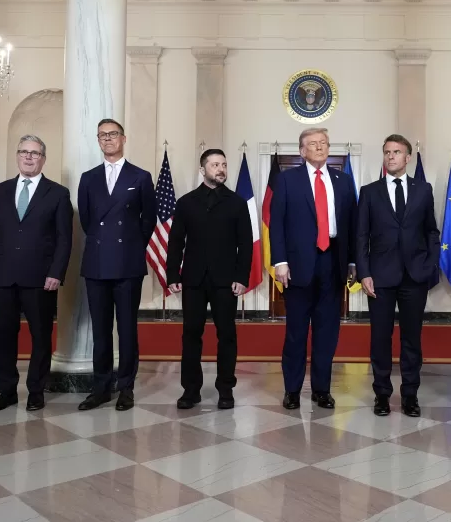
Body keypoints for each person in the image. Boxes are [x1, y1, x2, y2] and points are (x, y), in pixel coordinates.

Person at [0, 135, 73, 413]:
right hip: (3, 276)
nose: (29, 157)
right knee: (3, 336)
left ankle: (36, 391)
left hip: (41, 278)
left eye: (35, 153)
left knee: (41, 336)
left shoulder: (58, 193)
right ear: (17, 156)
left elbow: (64, 239)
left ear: (43, 159)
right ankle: (6, 392)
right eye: (24, 152)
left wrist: (56, 272)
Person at [270, 127, 357, 410]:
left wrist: (352, 260)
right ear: (302, 151)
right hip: (297, 266)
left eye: (324, 143)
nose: (319, 147)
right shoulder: (286, 180)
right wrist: (280, 261)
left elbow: (351, 225)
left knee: (327, 332)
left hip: (333, 263)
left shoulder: (344, 181)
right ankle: (292, 390)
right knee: (296, 332)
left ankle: (322, 389)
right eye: (313, 144)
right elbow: (277, 223)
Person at [356, 134, 439, 417]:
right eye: (387, 152)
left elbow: (431, 231)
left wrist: (429, 265)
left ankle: (410, 396)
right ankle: (381, 394)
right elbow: (361, 236)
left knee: (411, 339)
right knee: (380, 338)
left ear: (408, 157)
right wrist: (364, 273)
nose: (391, 156)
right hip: (379, 277)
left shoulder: (423, 189)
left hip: (415, 276)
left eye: (397, 152)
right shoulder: (369, 191)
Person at [76, 118, 156, 412]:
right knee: (100, 331)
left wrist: (130, 246)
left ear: (123, 138)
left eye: (112, 134)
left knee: (127, 329)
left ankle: (126, 388)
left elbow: (148, 220)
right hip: (97, 262)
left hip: (127, 263)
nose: (107, 139)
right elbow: (87, 221)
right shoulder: (88, 177)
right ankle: (101, 388)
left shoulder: (141, 176)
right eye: (102, 135)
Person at [167, 149, 253, 410]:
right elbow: (176, 241)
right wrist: (173, 274)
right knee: (191, 334)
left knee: (227, 334)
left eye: (224, 164)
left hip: (226, 280)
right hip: (193, 279)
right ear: (202, 170)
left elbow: (245, 244)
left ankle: (225, 389)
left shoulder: (237, 203)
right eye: (215, 165)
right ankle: (190, 390)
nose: (221, 169)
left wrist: (241, 277)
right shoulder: (186, 202)